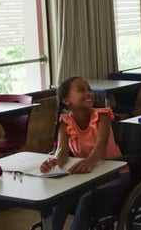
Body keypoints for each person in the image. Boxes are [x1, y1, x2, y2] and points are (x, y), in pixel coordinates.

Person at [40, 76, 130, 230]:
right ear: (66, 100)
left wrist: (89, 162)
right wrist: (54, 162)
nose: (88, 93)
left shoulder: (102, 116)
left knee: (85, 198)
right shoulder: (65, 122)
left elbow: (100, 146)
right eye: (81, 90)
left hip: (116, 175)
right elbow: (61, 151)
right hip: (86, 177)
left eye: (89, 89)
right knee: (60, 197)